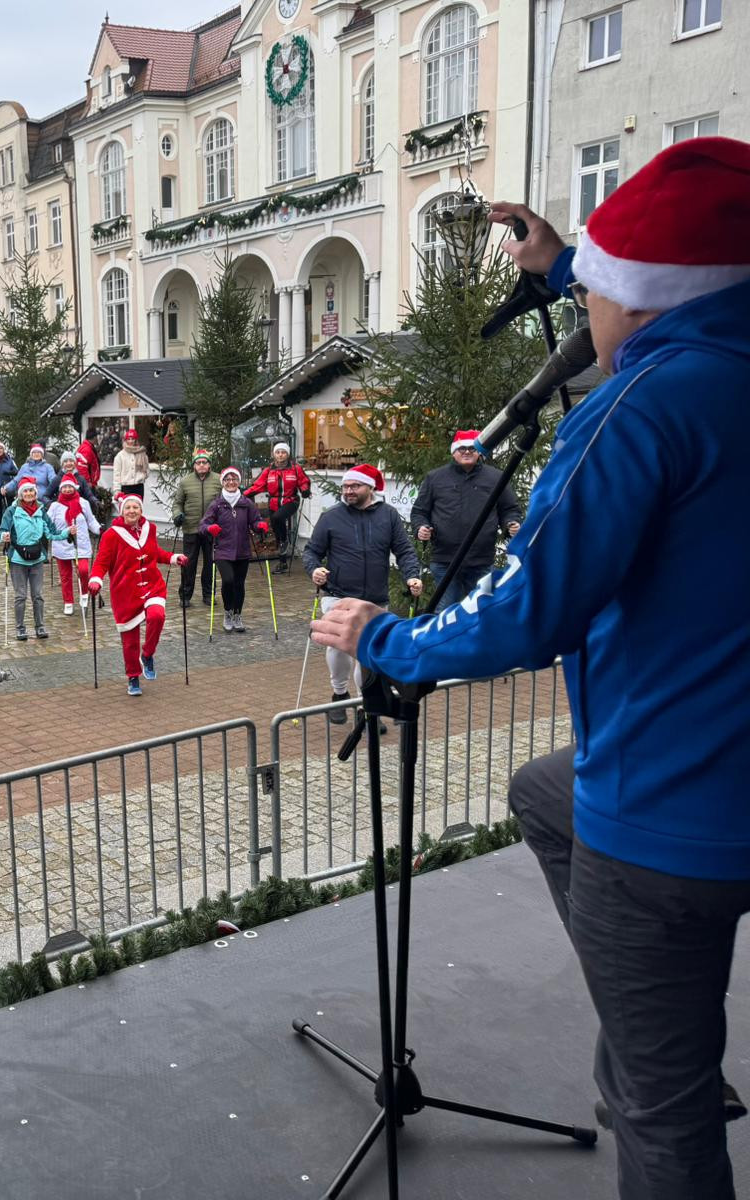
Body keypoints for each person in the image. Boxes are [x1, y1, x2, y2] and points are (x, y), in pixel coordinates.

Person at [311, 140, 750, 1200]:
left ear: (634, 302)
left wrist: (383, 640)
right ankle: (659, 1024)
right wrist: (559, 265)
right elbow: (670, 291)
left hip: (670, 816)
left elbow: (526, 612)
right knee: (535, 792)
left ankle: (660, 1052)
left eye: (594, 284)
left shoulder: (641, 409)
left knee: (654, 1113)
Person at [301, 463, 421, 722]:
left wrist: (412, 575)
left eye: (354, 486)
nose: (348, 491)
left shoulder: (388, 516)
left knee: (367, 655)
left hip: (375, 599)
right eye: (345, 486)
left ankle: (366, 707)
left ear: (370, 487)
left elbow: (404, 550)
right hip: (338, 595)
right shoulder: (331, 517)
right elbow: (311, 551)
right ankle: (339, 694)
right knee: (339, 649)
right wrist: (315, 570)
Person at [410, 429, 524, 609]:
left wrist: (511, 524)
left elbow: (509, 509)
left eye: (472, 448)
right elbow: (419, 512)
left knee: (483, 613)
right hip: (445, 561)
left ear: (479, 451)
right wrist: (421, 527)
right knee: (445, 614)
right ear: (453, 451)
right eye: (462, 448)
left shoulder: (496, 477)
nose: (467, 452)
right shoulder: (435, 478)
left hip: (481, 561)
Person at [86, 495, 187, 696]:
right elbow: (101, 563)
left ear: (141, 510)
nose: (132, 511)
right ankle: (133, 676)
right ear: (122, 512)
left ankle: (148, 654)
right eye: (128, 508)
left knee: (157, 616)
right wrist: (96, 579)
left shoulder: (150, 529)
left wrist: (173, 558)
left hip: (152, 585)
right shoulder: (112, 535)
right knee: (130, 641)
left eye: (136, 507)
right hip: (125, 593)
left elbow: (155, 553)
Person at [0, 479, 71, 641]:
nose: (29, 494)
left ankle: (40, 627)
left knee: (38, 595)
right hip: (17, 559)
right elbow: (0, 531)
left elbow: (52, 533)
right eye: (26, 491)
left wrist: (68, 531)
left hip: (37, 558)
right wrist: (4, 536)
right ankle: (20, 628)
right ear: (20, 494)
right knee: (20, 596)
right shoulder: (12, 511)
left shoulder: (41, 510)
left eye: (32, 491)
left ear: (35, 493)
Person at [201, 467, 268, 633]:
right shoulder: (217, 504)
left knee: (239, 584)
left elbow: (255, 521)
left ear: (238, 482)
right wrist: (210, 528)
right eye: (227, 480)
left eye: (234, 480)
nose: (231, 483)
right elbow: (203, 525)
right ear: (222, 482)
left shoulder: (246, 504)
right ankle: (228, 612)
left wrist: (259, 526)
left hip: (242, 550)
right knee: (228, 580)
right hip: (222, 550)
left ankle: (238, 614)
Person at [244, 443, 312, 570]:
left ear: (287, 454)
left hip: (290, 501)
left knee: (277, 518)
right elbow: (258, 485)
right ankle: (283, 562)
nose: (280, 454)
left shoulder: (295, 468)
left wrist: (305, 490)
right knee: (276, 532)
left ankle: (285, 541)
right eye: (278, 452)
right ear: (274, 454)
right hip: (274, 502)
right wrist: (244, 494)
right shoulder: (269, 470)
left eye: (283, 452)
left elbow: (303, 481)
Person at [172, 450, 223, 609]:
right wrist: (178, 514)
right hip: (191, 527)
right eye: (198, 462)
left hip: (211, 529)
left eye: (204, 462)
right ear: (194, 465)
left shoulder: (218, 480)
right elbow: (177, 503)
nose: (201, 465)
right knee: (189, 564)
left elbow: (224, 501)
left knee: (210, 564)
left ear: (209, 465)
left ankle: (209, 595)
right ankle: (185, 595)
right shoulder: (185, 481)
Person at [47, 477, 100, 617]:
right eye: (64, 487)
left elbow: (91, 520)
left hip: (81, 544)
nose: (67, 489)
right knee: (65, 576)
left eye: (70, 487)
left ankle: (84, 594)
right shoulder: (55, 506)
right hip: (62, 545)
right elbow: (47, 525)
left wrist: (99, 529)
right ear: (60, 489)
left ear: (75, 488)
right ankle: (68, 602)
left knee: (83, 570)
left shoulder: (83, 503)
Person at [112, 430, 150, 498]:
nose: (130, 441)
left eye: (132, 439)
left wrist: (142, 476)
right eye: (128, 439)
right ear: (125, 440)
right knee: (127, 508)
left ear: (136, 440)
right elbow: (116, 475)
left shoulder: (142, 453)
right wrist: (117, 491)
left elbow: (147, 470)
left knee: (138, 507)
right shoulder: (120, 456)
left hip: (139, 487)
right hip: (126, 488)